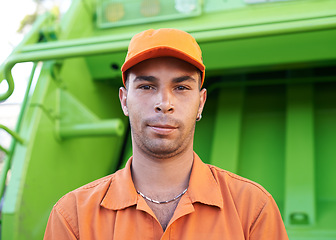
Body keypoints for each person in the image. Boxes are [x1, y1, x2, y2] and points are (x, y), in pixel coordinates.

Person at [44, 28, 289, 240]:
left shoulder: (253, 209)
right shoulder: (72, 215)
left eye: (181, 87)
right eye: (147, 86)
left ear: (200, 103)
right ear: (124, 100)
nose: (164, 103)